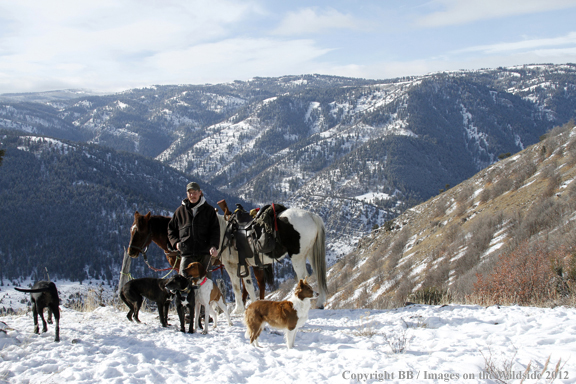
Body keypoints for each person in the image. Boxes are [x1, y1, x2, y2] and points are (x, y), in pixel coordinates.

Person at [168, 182, 220, 277]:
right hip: (186, 253)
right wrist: (176, 243)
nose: (192, 195)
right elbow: (171, 230)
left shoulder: (209, 210)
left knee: (205, 284)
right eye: (190, 193)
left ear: (200, 193)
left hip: (205, 253)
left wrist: (214, 246)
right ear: (187, 194)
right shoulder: (180, 211)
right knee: (183, 283)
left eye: (195, 192)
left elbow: (215, 231)